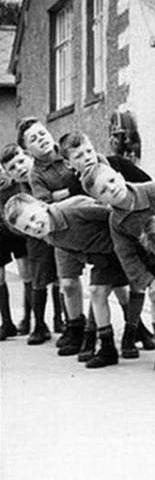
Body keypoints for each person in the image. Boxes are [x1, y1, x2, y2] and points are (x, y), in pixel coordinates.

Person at [81, 163, 155, 372]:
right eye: (103, 190)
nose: (111, 189)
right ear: (100, 200)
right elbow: (126, 255)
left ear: (119, 175)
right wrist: (147, 281)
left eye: (111, 181)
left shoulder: (153, 191)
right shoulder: (117, 222)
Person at [59, 131, 155, 357]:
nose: (87, 158)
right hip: (103, 243)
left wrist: (122, 194)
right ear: (69, 163)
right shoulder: (75, 184)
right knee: (100, 287)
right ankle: (93, 337)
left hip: (129, 232)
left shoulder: (116, 165)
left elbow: (146, 185)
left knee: (134, 284)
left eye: (88, 151)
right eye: (79, 156)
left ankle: (134, 332)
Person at [4, 193, 129, 368]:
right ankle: (108, 349)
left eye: (33, 218)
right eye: (27, 228)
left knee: (152, 289)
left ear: (42, 205)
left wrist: (128, 245)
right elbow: (74, 249)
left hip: (125, 247)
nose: (34, 227)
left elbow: (112, 214)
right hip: (103, 257)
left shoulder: (73, 208)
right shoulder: (48, 234)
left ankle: (138, 332)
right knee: (96, 291)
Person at [17, 118, 87, 354]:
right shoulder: (35, 174)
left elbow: (91, 168)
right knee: (67, 283)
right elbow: (44, 202)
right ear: (28, 150)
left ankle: (136, 328)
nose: (41, 140)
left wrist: (62, 194)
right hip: (63, 230)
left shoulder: (68, 150)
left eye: (42, 133)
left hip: (91, 220)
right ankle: (76, 329)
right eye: (33, 139)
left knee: (112, 281)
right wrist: (72, 190)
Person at [0, 142, 64, 345]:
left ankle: (53, 319)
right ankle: (25, 322)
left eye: (20, 162)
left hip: (33, 230)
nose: (18, 168)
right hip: (15, 232)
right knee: (33, 277)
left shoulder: (24, 181)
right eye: (12, 166)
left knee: (46, 274)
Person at [0, 166, 31, 341]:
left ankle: (27, 319)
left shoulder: (17, 185)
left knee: (26, 274)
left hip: (18, 233)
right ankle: (6, 323)